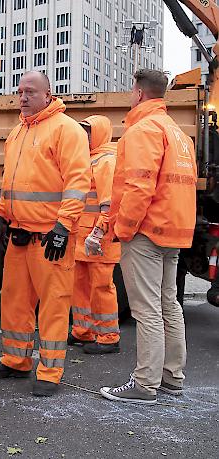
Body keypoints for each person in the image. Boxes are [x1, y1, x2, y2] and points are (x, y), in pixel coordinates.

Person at [0, 71, 90, 397]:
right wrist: (2, 215)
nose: (23, 97)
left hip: (50, 237)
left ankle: (50, 370)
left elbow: (77, 181)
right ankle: (16, 360)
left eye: (30, 91)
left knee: (54, 305)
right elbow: (9, 180)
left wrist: (63, 226)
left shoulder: (66, 130)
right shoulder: (16, 132)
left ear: (48, 94)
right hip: (20, 235)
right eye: (20, 91)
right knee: (15, 303)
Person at [100, 69, 196, 404]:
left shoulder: (142, 130)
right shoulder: (179, 134)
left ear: (139, 93)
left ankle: (144, 384)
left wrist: (123, 230)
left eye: (131, 91)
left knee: (147, 309)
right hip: (174, 232)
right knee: (169, 303)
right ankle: (172, 376)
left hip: (145, 232)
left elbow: (139, 187)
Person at [68, 115, 122, 354]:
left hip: (99, 238)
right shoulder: (88, 159)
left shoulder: (106, 160)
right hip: (83, 237)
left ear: (99, 133)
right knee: (79, 286)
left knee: (101, 287)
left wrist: (98, 233)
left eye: (88, 131)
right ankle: (83, 332)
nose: (84, 136)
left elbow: (109, 205)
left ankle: (109, 337)